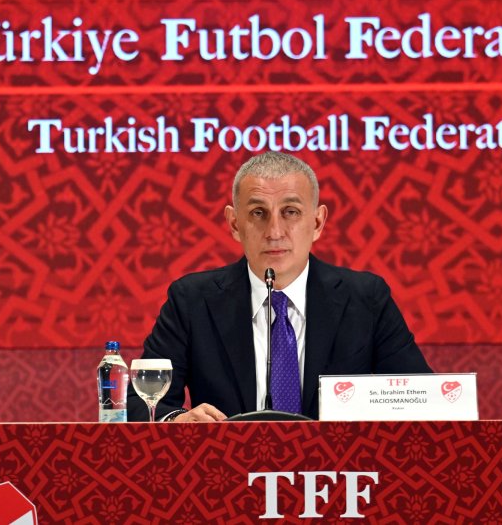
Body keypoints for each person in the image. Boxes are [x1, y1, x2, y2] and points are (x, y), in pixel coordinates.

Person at [127, 151, 431, 422]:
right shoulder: (191, 301)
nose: (274, 231)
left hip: (338, 475)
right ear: (234, 224)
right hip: (225, 474)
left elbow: (424, 400)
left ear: (317, 222)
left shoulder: (365, 299)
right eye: (258, 213)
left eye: (291, 212)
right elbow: (140, 403)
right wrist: (177, 422)